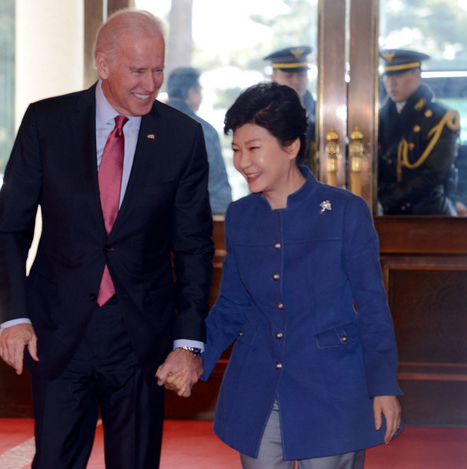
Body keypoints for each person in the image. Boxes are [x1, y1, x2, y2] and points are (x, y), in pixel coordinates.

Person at [0, 9, 214, 469]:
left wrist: (187, 344)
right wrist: (13, 317)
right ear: (103, 64)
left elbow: (193, 247)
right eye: (137, 70)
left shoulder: (181, 136)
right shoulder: (45, 123)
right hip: (56, 330)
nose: (151, 84)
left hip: (140, 337)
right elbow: (9, 229)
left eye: (158, 69)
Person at [165, 82, 402, 468]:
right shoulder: (240, 217)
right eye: (236, 150)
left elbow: (374, 308)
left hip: (330, 390)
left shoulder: (345, 211)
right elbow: (231, 307)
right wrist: (193, 356)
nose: (242, 163)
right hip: (258, 389)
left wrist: (383, 386)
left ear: (290, 146)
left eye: (254, 148)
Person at [378, 48, 460, 215]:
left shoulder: (439, 118)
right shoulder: (380, 117)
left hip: (428, 214)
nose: (391, 83)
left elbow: (432, 174)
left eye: (398, 75)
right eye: (387, 76)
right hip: (388, 212)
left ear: (417, 76)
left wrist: (384, 200)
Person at [166, 67, 232, 214]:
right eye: (199, 91)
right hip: (199, 216)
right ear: (191, 93)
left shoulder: (148, 125)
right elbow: (216, 183)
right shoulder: (204, 130)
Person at [264, 46, 316, 165]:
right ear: (273, 78)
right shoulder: (263, 115)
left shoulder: (322, 112)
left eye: (302, 75)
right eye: (289, 76)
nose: (297, 81)